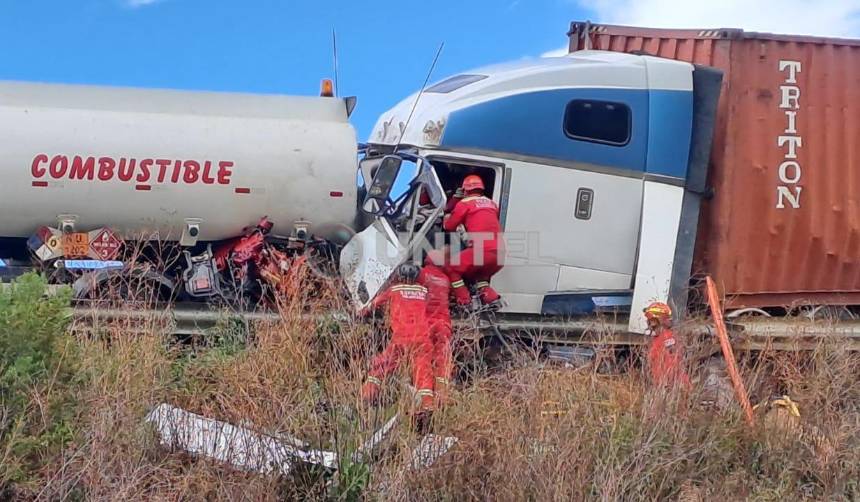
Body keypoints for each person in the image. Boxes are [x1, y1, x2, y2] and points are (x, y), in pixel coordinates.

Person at [360, 263, 435, 412]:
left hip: (401, 338)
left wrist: (362, 312)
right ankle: (427, 406)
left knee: (381, 367)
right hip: (422, 338)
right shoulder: (424, 291)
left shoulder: (393, 290)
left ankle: (367, 397)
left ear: (400, 276)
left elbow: (373, 305)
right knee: (423, 372)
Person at [441, 174, 504, 307]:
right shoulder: (492, 204)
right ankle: (492, 299)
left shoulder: (464, 204)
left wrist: (447, 217)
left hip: (481, 251)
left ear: (465, 190)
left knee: (452, 268)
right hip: (499, 254)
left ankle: (465, 302)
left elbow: (450, 226)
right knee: (480, 277)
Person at [419, 256, 454, 405]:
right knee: (443, 360)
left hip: (426, 323)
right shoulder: (446, 279)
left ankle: (426, 399)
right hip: (443, 324)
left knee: (424, 358)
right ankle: (442, 397)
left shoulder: (422, 274)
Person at [643, 302, 691, 389]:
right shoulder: (658, 338)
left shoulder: (667, 338)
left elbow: (672, 363)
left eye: (650, 320)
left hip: (672, 388)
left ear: (658, 321)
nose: (649, 323)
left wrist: (666, 385)